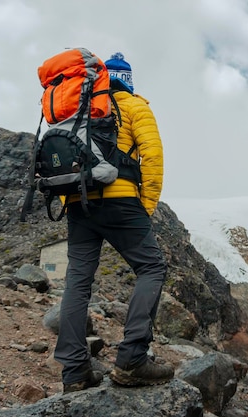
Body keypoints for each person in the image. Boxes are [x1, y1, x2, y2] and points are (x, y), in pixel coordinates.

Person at [54, 52, 174, 392]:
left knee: (77, 282)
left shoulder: (79, 109)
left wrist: (72, 200)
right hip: (121, 200)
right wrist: (145, 207)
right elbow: (152, 157)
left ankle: (74, 372)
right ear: (128, 80)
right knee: (151, 267)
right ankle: (133, 358)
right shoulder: (135, 106)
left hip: (79, 202)